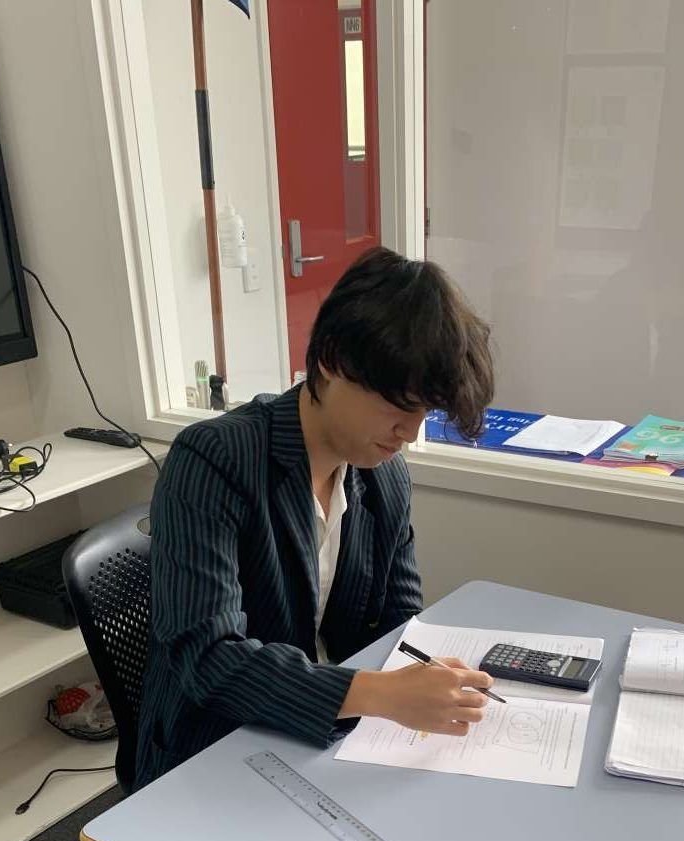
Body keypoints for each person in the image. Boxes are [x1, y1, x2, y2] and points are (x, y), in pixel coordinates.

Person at [135, 245, 495, 789]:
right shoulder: (215, 460)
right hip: (211, 749)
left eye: (426, 412)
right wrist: (381, 693)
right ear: (331, 360)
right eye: (399, 406)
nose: (410, 432)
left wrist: (424, 676)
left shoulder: (383, 475)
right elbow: (208, 658)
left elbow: (398, 621)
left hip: (322, 740)